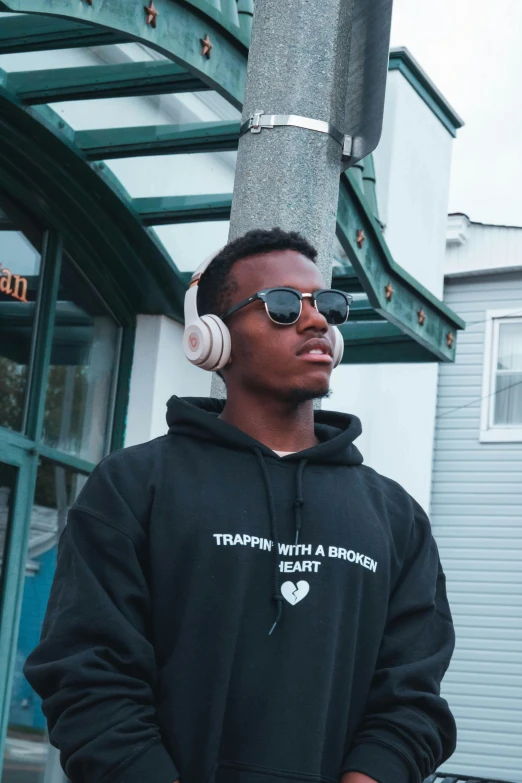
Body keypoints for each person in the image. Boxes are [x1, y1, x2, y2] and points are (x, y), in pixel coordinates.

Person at [25, 228, 457, 783]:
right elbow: (87, 676)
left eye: (327, 304)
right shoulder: (135, 486)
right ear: (212, 339)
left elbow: (412, 696)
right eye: (281, 306)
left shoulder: (395, 516)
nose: (316, 320)